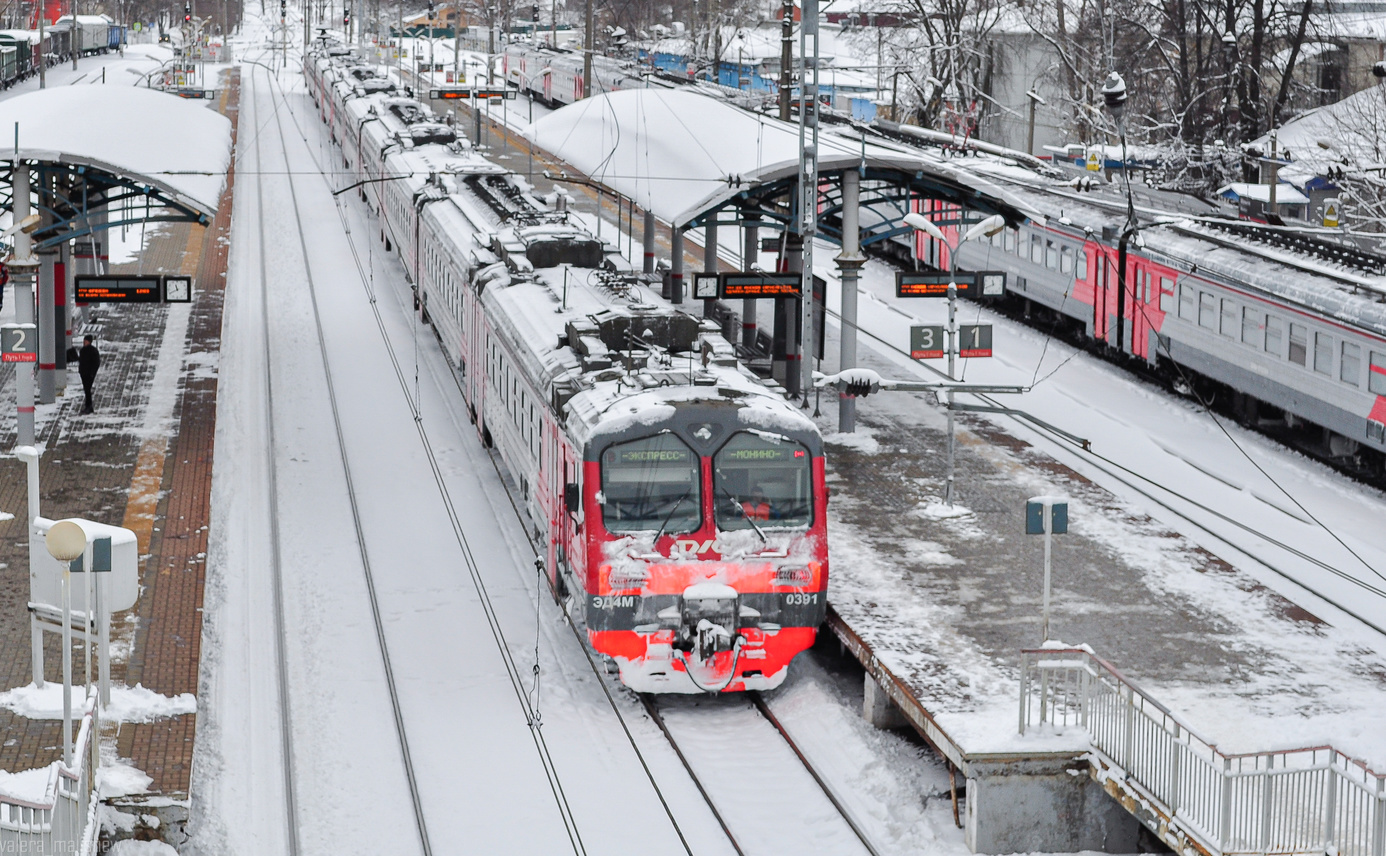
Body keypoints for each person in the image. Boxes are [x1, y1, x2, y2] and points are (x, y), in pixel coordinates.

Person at [66, 335, 100, 414]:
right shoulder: (83, 350)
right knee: (86, 389)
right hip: (84, 373)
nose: (84, 342)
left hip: (89, 374)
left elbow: (96, 363)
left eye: (86, 341)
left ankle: (89, 406)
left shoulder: (93, 351)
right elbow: (81, 360)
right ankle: (88, 406)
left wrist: (92, 372)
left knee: (87, 389)